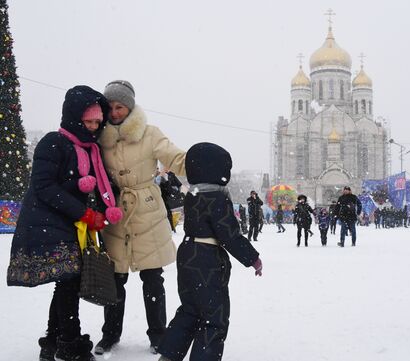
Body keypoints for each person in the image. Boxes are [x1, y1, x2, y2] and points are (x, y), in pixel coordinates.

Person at [7, 86, 120, 361]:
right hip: (47, 221)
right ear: (73, 117)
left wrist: (106, 208)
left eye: (97, 122)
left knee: (66, 282)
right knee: (68, 281)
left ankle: (52, 341)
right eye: (88, 121)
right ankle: (70, 344)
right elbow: (44, 186)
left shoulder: (90, 150)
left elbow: (97, 185)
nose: (93, 127)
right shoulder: (53, 142)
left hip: (68, 223)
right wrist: (83, 210)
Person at [95, 80, 186, 355]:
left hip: (147, 210)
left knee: (152, 278)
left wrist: (201, 164)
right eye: (110, 106)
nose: (114, 112)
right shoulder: (100, 138)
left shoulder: (149, 133)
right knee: (115, 279)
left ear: (130, 107)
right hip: (116, 213)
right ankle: (110, 334)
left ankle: (158, 334)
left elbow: (175, 156)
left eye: (120, 106)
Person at [157, 142, 262, 361]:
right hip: (206, 258)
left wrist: (172, 179)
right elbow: (229, 234)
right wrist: (252, 257)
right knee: (214, 317)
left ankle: (168, 355)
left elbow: (180, 189)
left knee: (190, 310)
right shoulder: (217, 198)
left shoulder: (193, 194)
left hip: (187, 254)